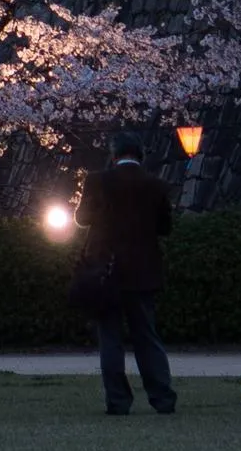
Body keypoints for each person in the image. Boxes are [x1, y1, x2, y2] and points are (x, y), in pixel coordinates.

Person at [75, 135, 177, 416]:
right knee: (147, 336)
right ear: (140, 155)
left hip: (105, 271)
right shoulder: (156, 185)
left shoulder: (97, 181)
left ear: (113, 154)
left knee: (110, 338)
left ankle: (118, 401)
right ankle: (162, 398)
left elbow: (82, 218)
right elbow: (165, 228)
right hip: (143, 272)